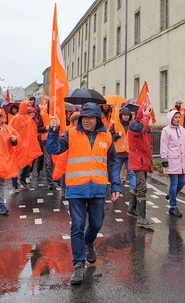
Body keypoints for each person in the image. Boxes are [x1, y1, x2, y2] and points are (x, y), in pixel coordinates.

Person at [47, 102, 121, 285]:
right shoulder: (71, 133)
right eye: (84, 118)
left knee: (96, 224)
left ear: (98, 119)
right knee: (77, 226)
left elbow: (112, 162)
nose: (87, 121)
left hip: (97, 188)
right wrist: (53, 131)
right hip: (76, 188)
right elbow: (53, 149)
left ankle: (89, 243)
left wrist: (116, 186)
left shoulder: (106, 136)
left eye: (90, 118)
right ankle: (78, 265)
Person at [127, 105, 155, 228]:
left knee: (139, 186)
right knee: (142, 187)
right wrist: (145, 117)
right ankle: (141, 218)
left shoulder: (145, 126)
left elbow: (148, 145)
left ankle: (131, 208)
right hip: (138, 161)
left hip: (143, 161)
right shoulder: (135, 125)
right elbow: (139, 130)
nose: (149, 113)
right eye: (146, 111)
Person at [160, 110, 185, 217]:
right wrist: (164, 159)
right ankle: (173, 206)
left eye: (179, 117)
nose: (178, 119)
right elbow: (164, 145)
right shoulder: (166, 130)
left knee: (182, 181)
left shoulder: (182, 130)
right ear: (171, 119)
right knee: (174, 183)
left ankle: (171, 195)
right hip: (172, 160)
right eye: (176, 117)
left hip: (181, 161)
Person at [10, 100, 43, 190]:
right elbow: (11, 131)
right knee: (15, 165)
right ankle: (15, 184)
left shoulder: (29, 118)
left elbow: (33, 131)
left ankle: (23, 179)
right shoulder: (16, 118)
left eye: (30, 106)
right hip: (18, 146)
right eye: (27, 106)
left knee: (29, 161)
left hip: (28, 145)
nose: (29, 107)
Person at [110, 107, 136, 195]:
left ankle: (133, 190)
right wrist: (117, 135)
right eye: (124, 115)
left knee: (131, 173)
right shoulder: (115, 124)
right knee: (116, 172)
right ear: (121, 116)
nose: (126, 117)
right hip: (118, 153)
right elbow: (110, 137)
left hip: (129, 153)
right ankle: (117, 190)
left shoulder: (132, 125)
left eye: (127, 115)